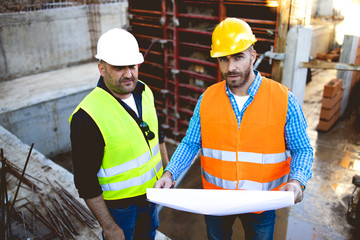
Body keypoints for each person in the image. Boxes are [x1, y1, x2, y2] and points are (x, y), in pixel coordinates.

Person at [154, 18, 313, 240]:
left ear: (253, 56)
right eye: (224, 59)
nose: (231, 68)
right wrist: (170, 173)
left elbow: (302, 149)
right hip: (217, 202)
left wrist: (297, 181)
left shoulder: (283, 99)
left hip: (262, 204)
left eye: (238, 57)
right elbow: (191, 143)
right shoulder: (207, 99)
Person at [69, 28, 169, 240]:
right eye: (118, 68)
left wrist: (168, 172)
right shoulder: (87, 116)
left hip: (152, 196)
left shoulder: (144, 90)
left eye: (132, 66)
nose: (128, 74)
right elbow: (85, 181)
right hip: (120, 209)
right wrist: (110, 227)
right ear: (102, 69)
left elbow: (157, 135)